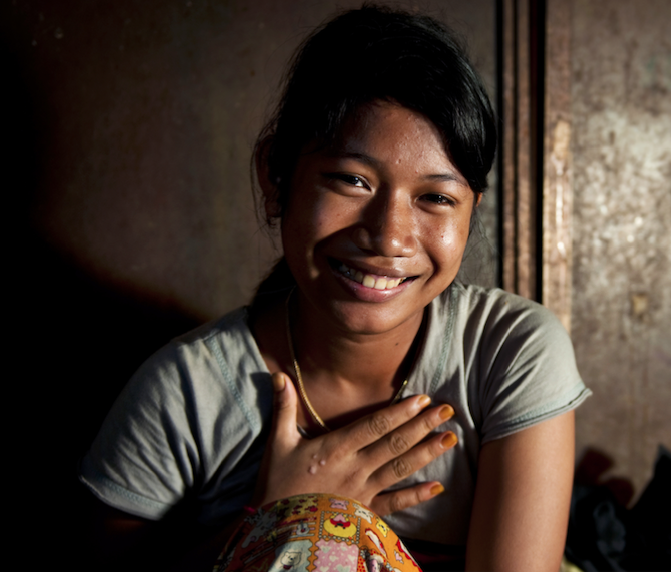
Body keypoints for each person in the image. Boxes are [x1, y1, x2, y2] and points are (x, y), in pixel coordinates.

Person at [79, 5, 590, 571]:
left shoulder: (509, 354)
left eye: (436, 198)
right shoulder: (183, 398)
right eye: (352, 180)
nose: (389, 236)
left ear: (470, 214)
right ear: (276, 177)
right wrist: (277, 516)